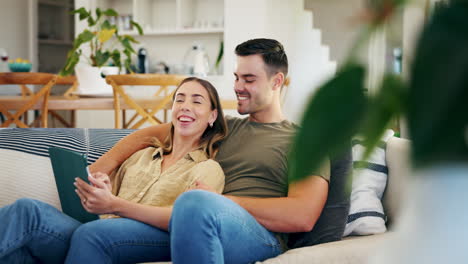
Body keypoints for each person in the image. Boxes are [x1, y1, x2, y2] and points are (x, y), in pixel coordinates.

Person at [91, 38, 331, 263]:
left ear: (276, 81)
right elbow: (149, 134)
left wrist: (221, 201)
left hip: (260, 236)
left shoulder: (305, 140)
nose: (238, 87)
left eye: (249, 79)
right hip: (197, 221)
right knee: (96, 236)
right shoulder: (224, 128)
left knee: (194, 201)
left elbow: (303, 215)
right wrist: (97, 171)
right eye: (237, 78)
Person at [0, 77, 228, 263]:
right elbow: (107, 206)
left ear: (212, 116)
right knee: (27, 211)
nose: (185, 106)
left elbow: (188, 220)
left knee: (92, 234)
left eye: (197, 101)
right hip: (104, 229)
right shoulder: (142, 156)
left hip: (156, 237)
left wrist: (116, 205)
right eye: (180, 99)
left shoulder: (208, 168)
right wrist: (102, 191)